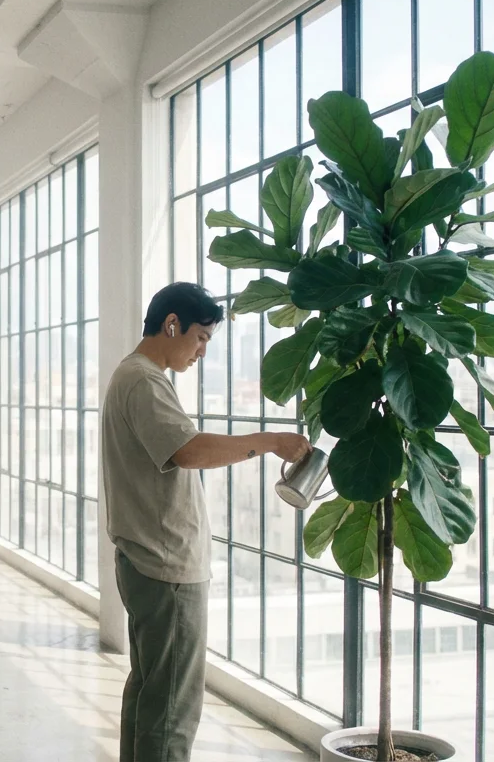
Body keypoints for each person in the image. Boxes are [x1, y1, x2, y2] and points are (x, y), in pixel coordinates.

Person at [103, 281, 311, 762]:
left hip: (144, 557)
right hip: (166, 565)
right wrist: (270, 440)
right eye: (200, 338)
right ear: (171, 324)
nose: (201, 351)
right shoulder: (144, 380)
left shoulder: (131, 375)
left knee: (151, 689)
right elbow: (189, 451)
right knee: (173, 707)